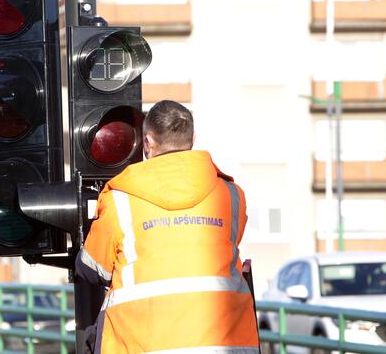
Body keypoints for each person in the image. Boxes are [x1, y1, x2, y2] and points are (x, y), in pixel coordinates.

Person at [76, 100, 259, 353]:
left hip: (141, 346)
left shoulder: (120, 198)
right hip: (227, 345)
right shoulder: (230, 195)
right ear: (192, 139)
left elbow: (93, 268)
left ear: (148, 143)